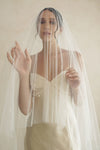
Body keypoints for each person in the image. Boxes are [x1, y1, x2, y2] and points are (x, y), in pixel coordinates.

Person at [2, 7, 100, 150]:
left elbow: (80, 102)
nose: (46, 26)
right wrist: (23, 75)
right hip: (36, 137)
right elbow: (25, 109)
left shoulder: (74, 57)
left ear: (60, 29)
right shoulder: (30, 61)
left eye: (52, 22)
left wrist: (76, 86)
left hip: (66, 135)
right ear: (37, 27)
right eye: (42, 22)